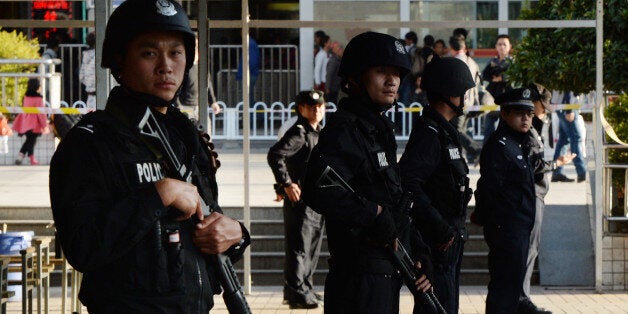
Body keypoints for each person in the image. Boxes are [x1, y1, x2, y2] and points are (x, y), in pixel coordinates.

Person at [49, 1, 250, 312]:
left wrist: (236, 234)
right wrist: (159, 195)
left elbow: (206, 223)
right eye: (149, 53)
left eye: (176, 52)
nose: (166, 66)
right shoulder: (91, 142)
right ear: (119, 60)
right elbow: (82, 247)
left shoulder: (186, 136)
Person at [301, 31, 432, 314]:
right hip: (357, 280)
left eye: (397, 72)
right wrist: (371, 213)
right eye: (381, 71)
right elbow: (318, 189)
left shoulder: (377, 131)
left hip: (385, 275)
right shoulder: (344, 130)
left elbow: (394, 200)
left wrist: (418, 250)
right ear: (356, 78)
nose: (392, 80)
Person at [399, 57, 475, 314]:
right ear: (450, 93)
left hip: (448, 241)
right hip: (436, 244)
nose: (465, 98)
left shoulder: (444, 132)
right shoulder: (429, 134)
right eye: (463, 93)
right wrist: (440, 228)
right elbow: (409, 183)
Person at [473, 87, 537, 313]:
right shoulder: (499, 146)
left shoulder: (519, 142)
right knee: (504, 289)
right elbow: (489, 188)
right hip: (506, 229)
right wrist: (485, 218)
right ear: (504, 114)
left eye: (529, 113)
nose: (526, 118)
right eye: (520, 113)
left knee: (511, 289)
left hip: (519, 228)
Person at [518, 83, 574, 314]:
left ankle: (522, 298)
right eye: (542, 108)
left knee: (530, 251)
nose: (543, 113)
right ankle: (522, 299)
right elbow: (535, 165)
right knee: (528, 251)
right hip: (531, 196)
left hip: (536, 194)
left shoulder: (533, 129)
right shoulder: (528, 131)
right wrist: (558, 164)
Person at [267, 90, 327, 309]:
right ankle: (296, 292)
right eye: (311, 107)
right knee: (299, 248)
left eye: (320, 106)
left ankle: (306, 288)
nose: (317, 110)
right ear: (300, 108)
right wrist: (286, 184)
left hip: (314, 200)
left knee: (311, 247)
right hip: (300, 201)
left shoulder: (316, 132)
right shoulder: (299, 133)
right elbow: (275, 154)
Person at [448, 34, 482, 164]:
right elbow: (478, 82)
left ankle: (476, 149)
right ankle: (458, 158)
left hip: (459, 103)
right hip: (470, 102)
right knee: (458, 132)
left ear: (451, 48)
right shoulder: (472, 61)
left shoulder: (455, 62)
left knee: (455, 132)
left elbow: (454, 84)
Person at [481, 34, 513, 143]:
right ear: (496, 46)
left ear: (510, 47)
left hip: (507, 100)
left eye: (504, 44)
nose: (502, 47)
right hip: (492, 100)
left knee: (507, 131)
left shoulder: (513, 62)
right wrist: (493, 79)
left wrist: (502, 77)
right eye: (499, 44)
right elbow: (483, 75)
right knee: (488, 130)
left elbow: (515, 77)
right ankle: (486, 155)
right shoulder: (492, 61)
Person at [551, 91, 587, 183]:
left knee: (564, 140)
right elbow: (568, 87)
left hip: (562, 105)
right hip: (567, 106)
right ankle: (581, 172)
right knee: (576, 138)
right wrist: (569, 110)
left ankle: (557, 171)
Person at [13, 78, 48, 165]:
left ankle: (20, 156)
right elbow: (41, 113)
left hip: (25, 122)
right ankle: (31, 158)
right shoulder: (39, 98)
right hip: (35, 123)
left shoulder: (26, 96)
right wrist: (44, 125)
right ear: (37, 86)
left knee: (29, 140)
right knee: (31, 141)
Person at [79, 32, 96, 109]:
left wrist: (88, 84)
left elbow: (81, 76)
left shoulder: (85, 56)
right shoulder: (98, 56)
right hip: (98, 94)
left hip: (89, 94)